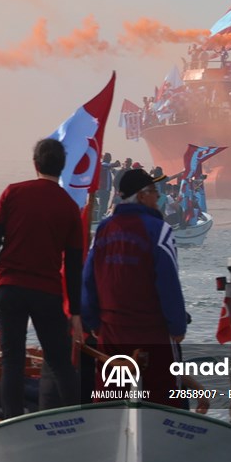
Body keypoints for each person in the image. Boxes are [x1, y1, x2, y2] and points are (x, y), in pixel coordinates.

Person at [0, 137, 83, 419]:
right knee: (60, 361)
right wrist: (75, 311)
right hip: (47, 293)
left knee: (12, 360)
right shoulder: (70, 207)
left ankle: (12, 421)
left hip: (9, 288)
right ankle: (81, 420)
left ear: (35, 164)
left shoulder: (13, 193)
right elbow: (74, 264)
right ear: (62, 167)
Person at [81, 168, 188, 407]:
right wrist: (177, 326)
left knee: (110, 401)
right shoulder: (160, 230)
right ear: (141, 196)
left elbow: (88, 280)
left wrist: (92, 322)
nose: (158, 197)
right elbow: (168, 282)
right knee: (164, 401)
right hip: (151, 333)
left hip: (111, 333)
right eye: (154, 192)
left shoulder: (104, 229)